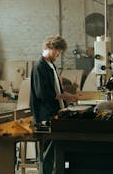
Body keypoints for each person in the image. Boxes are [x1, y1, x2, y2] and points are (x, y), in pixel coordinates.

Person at [30, 35, 77, 174]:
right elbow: (42, 94)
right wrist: (65, 96)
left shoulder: (50, 64)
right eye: (57, 51)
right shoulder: (40, 66)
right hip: (45, 115)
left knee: (55, 150)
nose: (58, 54)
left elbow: (56, 88)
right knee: (47, 153)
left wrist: (66, 98)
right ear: (50, 47)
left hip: (54, 112)